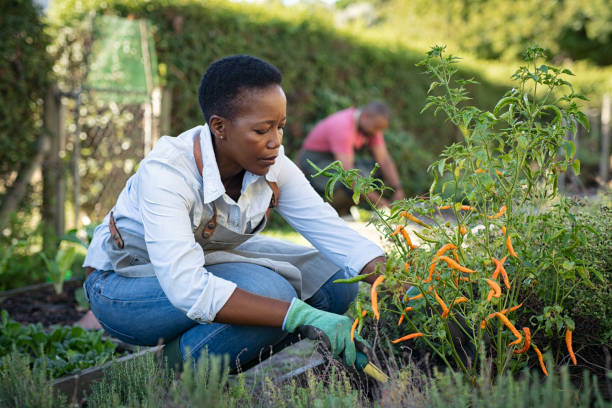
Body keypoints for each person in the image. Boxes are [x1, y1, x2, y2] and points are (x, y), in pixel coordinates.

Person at [81, 55, 388, 372]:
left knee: (336, 280)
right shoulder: (169, 173)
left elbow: (332, 233)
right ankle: (168, 369)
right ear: (219, 127)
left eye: (280, 127)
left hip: (205, 262)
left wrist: (406, 285)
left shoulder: (271, 163)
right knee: (271, 295)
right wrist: (300, 316)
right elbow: (187, 287)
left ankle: (198, 346)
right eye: (262, 130)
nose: (275, 142)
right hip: (123, 287)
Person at [297, 102, 405, 214]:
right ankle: (323, 210)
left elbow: (384, 160)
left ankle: (343, 209)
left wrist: (398, 189)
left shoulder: (370, 127)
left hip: (333, 161)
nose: (377, 132)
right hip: (313, 165)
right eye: (376, 127)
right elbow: (348, 174)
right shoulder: (343, 126)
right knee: (351, 180)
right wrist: (380, 203)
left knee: (376, 171)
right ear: (365, 116)